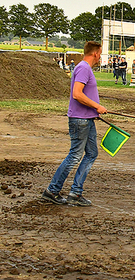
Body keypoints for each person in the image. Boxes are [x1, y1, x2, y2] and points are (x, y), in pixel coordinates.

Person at [42, 41, 108, 206]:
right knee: (75, 156)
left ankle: (75, 193)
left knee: (92, 153)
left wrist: (94, 111)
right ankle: (52, 190)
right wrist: (97, 106)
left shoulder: (84, 68)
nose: (100, 56)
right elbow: (77, 94)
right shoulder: (84, 68)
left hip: (87, 119)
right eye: (100, 53)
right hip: (80, 120)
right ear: (95, 53)